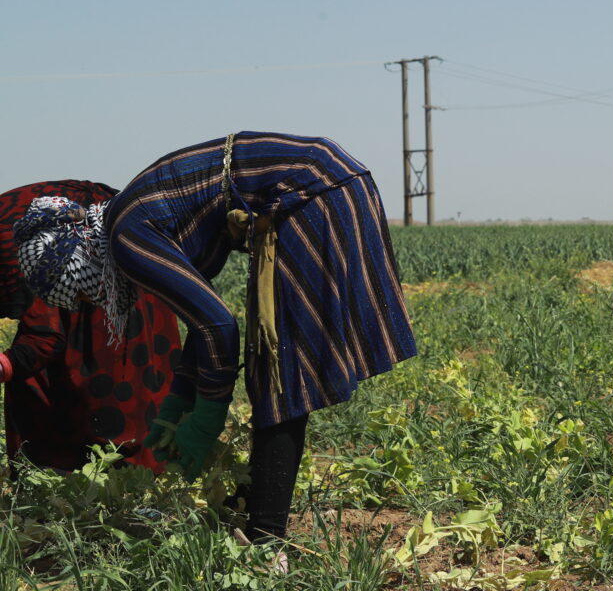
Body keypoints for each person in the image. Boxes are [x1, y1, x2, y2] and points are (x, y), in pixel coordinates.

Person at [15, 132, 417, 547]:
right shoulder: (127, 215)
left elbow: (218, 327)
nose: (90, 300)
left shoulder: (127, 237)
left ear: (80, 262)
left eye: (81, 291)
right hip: (324, 180)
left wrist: (206, 418)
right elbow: (200, 316)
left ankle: (265, 542)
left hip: (310, 193)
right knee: (276, 370)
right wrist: (179, 400)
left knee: (280, 372)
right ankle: (256, 519)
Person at [0, 180, 181, 473]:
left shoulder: (44, 256)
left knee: (53, 386)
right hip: (133, 275)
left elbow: (43, 337)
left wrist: (6, 365)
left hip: (102, 301)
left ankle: (68, 479)